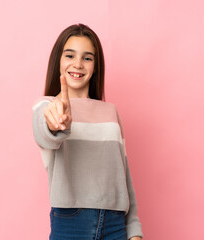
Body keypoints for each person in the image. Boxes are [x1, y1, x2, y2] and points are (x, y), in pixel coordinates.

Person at [32, 23, 143, 240]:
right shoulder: (45, 106)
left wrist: (134, 229)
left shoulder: (111, 112)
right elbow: (45, 133)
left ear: (95, 65)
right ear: (59, 61)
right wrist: (56, 123)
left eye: (87, 58)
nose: (78, 64)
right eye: (70, 55)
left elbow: (124, 177)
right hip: (70, 224)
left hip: (116, 226)